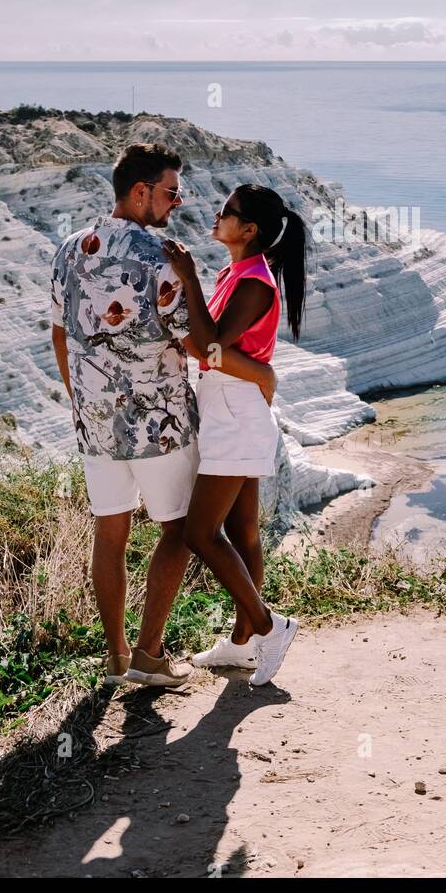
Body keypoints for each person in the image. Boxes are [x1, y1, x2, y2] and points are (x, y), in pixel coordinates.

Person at [50, 144, 276, 688]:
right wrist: (260, 375)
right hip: (160, 421)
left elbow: (60, 333)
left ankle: (116, 657)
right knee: (178, 530)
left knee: (111, 533)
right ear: (141, 192)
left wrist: (80, 397)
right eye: (172, 192)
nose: (178, 203)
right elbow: (202, 346)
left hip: (96, 424)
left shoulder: (69, 248)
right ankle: (150, 656)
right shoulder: (160, 259)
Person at [162, 184, 305, 687]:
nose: (216, 215)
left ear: (249, 230)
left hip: (235, 413)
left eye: (227, 212)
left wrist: (190, 278)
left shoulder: (254, 283)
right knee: (243, 533)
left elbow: (210, 350)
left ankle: (270, 626)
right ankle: (243, 644)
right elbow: (216, 351)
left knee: (200, 533)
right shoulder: (240, 273)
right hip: (230, 406)